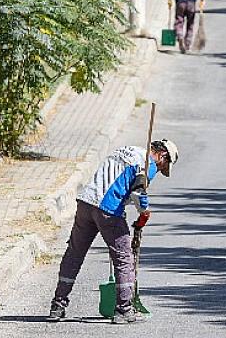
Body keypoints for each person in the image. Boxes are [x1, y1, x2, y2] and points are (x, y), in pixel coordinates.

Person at [48, 139, 179, 324]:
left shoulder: (126, 150)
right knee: (124, 258)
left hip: (86, 202)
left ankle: (57, 305)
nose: (159, 170)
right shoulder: (147, 164)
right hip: (108, 209)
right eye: (163, 167)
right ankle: (124, 309)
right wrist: (145, 212)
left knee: (74, 254)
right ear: (163, 155)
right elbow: (138, 193)